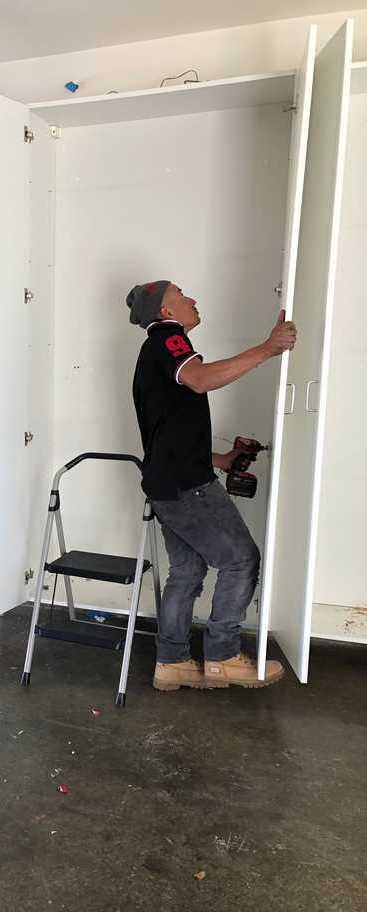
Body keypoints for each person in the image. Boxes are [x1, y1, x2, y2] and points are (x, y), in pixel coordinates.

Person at [126, 280, 296, 690]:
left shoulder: (156, 352)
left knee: (186, 572)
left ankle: (173, 663)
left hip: (167, 482)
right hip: (187, 486)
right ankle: (222, 656)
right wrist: (268, 349)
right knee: (240, 560)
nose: (193, 299)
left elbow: (168, 427)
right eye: (181, 296)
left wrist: (219, 460)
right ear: (166, 313)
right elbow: (200, 380)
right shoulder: (167, 340)